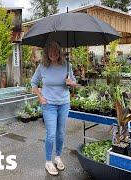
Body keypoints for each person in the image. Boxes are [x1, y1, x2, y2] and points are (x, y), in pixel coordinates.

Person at [31, 41, 77, 176]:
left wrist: (71, 83)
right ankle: (48, 161)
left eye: (55, 51)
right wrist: (40, 96)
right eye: (50, 52)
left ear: (59, 52)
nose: (53, 54)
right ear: (46, 53)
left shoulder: (67, 66)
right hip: (48, 104)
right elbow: (33, 83)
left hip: (64, 103)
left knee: (61, 132)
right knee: (51, 134)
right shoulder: (42, 67)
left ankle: (58, 157)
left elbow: (74, 83)